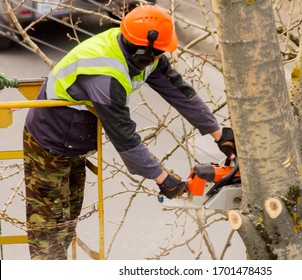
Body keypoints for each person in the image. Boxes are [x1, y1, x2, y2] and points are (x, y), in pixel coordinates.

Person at [23, 4, 236, 260]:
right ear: (143, 53)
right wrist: (162, 178)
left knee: (67, 220)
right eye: (157, 55)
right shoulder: (105, 76)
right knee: (49, 228)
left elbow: (179, 91)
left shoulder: (142, 51)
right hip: (50, 140)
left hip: (76, 140)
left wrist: (218, 133)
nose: (160, 58)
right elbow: (124, 137)